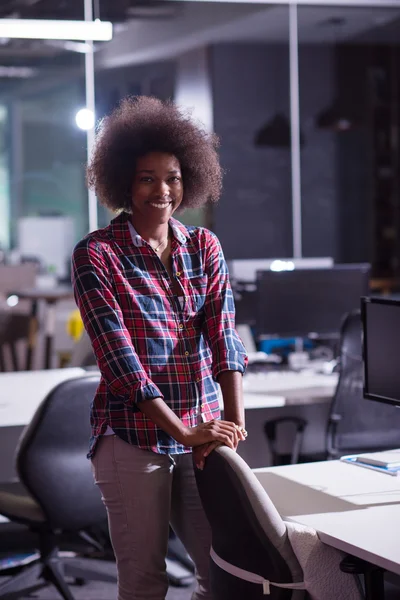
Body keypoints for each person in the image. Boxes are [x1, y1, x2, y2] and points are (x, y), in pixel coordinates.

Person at [71, 95, 248, 600]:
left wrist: (231, 422)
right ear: (124, 181)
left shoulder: (204, 247)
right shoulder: (97, 254)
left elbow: (223, 334)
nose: (162, 190)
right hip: (134, 438)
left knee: (228, 571)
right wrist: (182, 431)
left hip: (205, 432)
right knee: (146, 580)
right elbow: (121, 362)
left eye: (171, 177)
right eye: (147, 177)